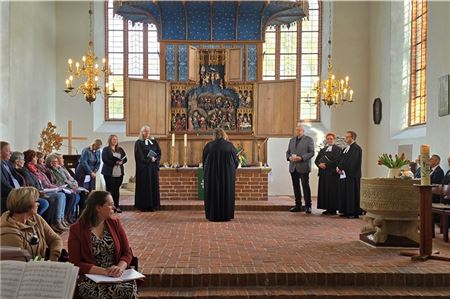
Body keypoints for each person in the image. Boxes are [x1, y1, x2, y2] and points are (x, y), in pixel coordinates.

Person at [68, 191, 137, 298]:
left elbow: (127, 253)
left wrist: (119, 268)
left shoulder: (115, 224)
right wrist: (104, 272)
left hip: (116, 275)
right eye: (110, 204)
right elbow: (75, 262)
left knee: (128, 288)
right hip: (91, 276)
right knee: (98, 292)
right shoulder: (77, 229)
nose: (113, 207)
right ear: (98, 208)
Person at [0, 187, 62, 261]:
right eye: (36, 201)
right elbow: (20, 263)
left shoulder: (36, 218)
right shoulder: (8, 232)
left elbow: (55, 239)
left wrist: (53, 258)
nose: (38, 203)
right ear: (26, 204)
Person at [23, 149, 68, 232]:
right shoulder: (28, 169)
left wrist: (56, 187)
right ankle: (54, 222)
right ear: (30, 158)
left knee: (62, 195)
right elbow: (34, 183)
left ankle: (60, 220)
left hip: (44, 189)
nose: (37, 159)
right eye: (35, 157)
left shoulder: (35, 169)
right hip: (39, 191)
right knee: (58, 196)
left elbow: (45, 181)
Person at [202, 128, 239, 221]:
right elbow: (236, 162)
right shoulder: (230, 146)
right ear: (224, 134)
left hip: (212, 175)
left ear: (214, 135)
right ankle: (226, 215)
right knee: (227, 192)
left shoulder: (209, 146)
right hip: (227, 176)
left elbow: (204, 161)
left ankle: (212, 215)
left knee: (213, 193)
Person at [286, 123, 315, 213]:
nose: (298, 131)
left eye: (299, 130)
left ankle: (308, 206)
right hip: (293, 166)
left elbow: (311, 152)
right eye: (297, 130)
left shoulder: (309, 139)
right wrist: (289, 157)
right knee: (296, 186)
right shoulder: (292, 140)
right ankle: (298, 205)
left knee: (305, 186)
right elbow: (288, 152)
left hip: (303, 166)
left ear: (303, 131)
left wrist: (301, 158)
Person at [10, 151, 49, 217]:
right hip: (23, 194)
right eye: (22, 160)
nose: (24, 161)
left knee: (50, 200)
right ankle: (31, 220)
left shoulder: (23, 170)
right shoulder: (17, 171)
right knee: (45, 202)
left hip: (31, 191)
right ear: (17, 161)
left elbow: (32, 181)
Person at [46, 153, 80, 223]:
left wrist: (74, 184)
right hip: (59, 189)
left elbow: (70, 179)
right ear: (51, 163)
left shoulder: (61, 168)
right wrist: (72, 185)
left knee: (79, 195)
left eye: (57, 161)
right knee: (72, 196)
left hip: (67, 187)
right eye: (55, 161)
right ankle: (63, 218)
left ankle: (68, 216)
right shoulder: (50, 171)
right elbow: (61, 181)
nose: (58, 162)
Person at [134, 125, 161, 212]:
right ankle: (144, 206)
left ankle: (154, 205)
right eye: (145, 131)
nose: (146, 133)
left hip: (153, 168)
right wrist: (149, 159)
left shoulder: (153, 142)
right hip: (144, 169)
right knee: (145, 186)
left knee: (153, 185)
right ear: (142, 132)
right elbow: (139, 156)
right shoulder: (139, 143)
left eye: (148, 131)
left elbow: (159, 152)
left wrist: (155, 158)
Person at [336, 131, 363, 218]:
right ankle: (345, 210)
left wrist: (342, 168)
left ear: (353, 138)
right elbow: (341, 159)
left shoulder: (356, 148)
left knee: (351, 193)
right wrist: (338, 167)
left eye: (348, 137)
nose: (346, 138)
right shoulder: (345, 149)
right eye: (346, 137)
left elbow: (352, 161)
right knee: (344, 192)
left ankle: (352, 212)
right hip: (344, 174)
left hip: (352, 175)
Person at [314, 133, 342, 215]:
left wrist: (326, 165)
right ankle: (327, 208)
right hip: (323, 173)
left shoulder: (338, 149)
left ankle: (333, 209)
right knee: (325, 190)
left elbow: (337, 160)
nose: (329, 140)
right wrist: (319, 164)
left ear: (334, 139)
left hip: (332, 174)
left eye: (331, 138)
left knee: (332, 191)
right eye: (328, 139)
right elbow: (317, 160)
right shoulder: (323, 150)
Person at [102, 135, 127, 213]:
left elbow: (125, 158)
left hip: (119, 173)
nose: (115, 140)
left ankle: (116, 206)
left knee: (116, 190)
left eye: (116, 139)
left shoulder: (120, 149)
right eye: (113, 139)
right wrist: (114, 162)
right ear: (110, 140)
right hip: (109, 173)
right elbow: (104, 160)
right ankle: (109, 207)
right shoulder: (106, 149)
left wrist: (121, 162)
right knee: (110, 190)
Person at [1, 141, 24, 213]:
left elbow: (19, 178)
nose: (11, 152)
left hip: (17, 191)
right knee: (42, 203)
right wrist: (18, 192)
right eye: (8, 151)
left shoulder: (8, 163)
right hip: (8, 194)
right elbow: (3, 184)